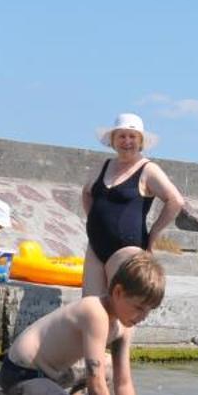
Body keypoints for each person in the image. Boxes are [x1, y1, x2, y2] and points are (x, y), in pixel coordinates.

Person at [0, 248, 165, 395]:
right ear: (118, 292)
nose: (143, 317)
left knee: (109, 367)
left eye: (149, 311)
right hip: (22, 373)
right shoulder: (95, 312)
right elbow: (95, 382)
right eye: (139, 308)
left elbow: (123, 381)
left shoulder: (126, 323)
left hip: (54, 374)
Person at [80, 113, 185, 296]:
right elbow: (87, 192)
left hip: (127, 249)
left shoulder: (148, 169)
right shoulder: (104, 165)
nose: (126, 141)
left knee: (121, 308)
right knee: (90, 307)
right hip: (96, 248)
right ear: (113, 140)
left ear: (141, 141)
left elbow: (175, 201)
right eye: (121, 136)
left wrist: (153, 235)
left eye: (132, 136)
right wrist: (93, 221)